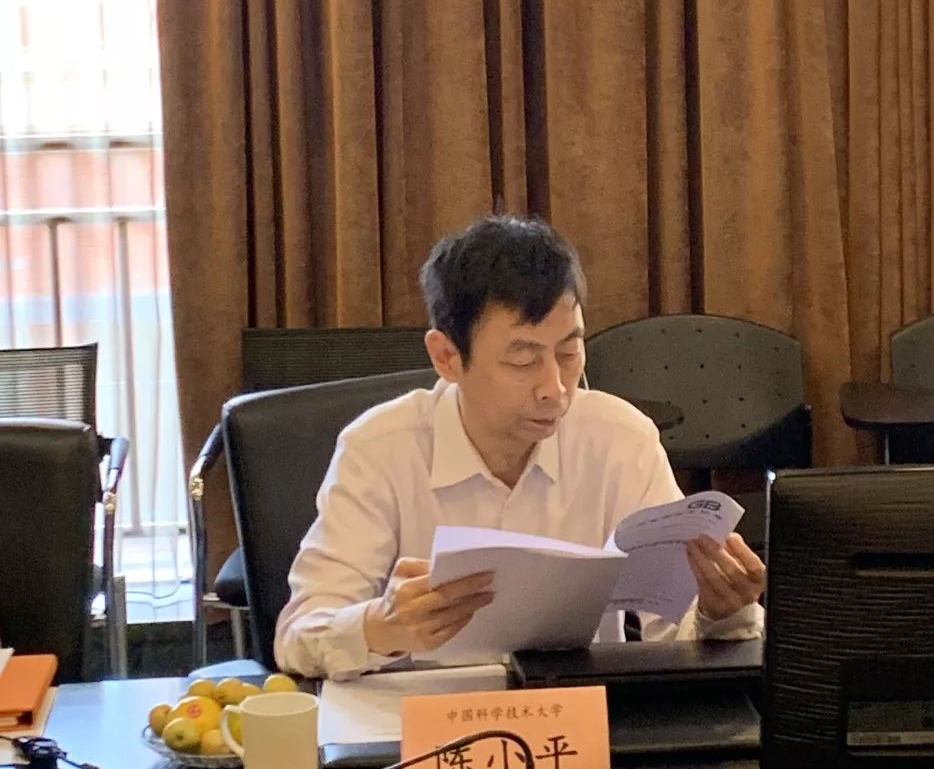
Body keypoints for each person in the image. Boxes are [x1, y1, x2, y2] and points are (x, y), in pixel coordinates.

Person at [274, 215, 765, 679]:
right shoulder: (379, 449)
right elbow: (297, 637)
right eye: (523, 359)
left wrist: (720, 612)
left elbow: (674, 631)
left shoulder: (619, 439)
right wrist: (380, 627)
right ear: (447, 357)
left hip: (580, 714)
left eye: (569, 351)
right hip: (423, 721)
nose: (555, 388)